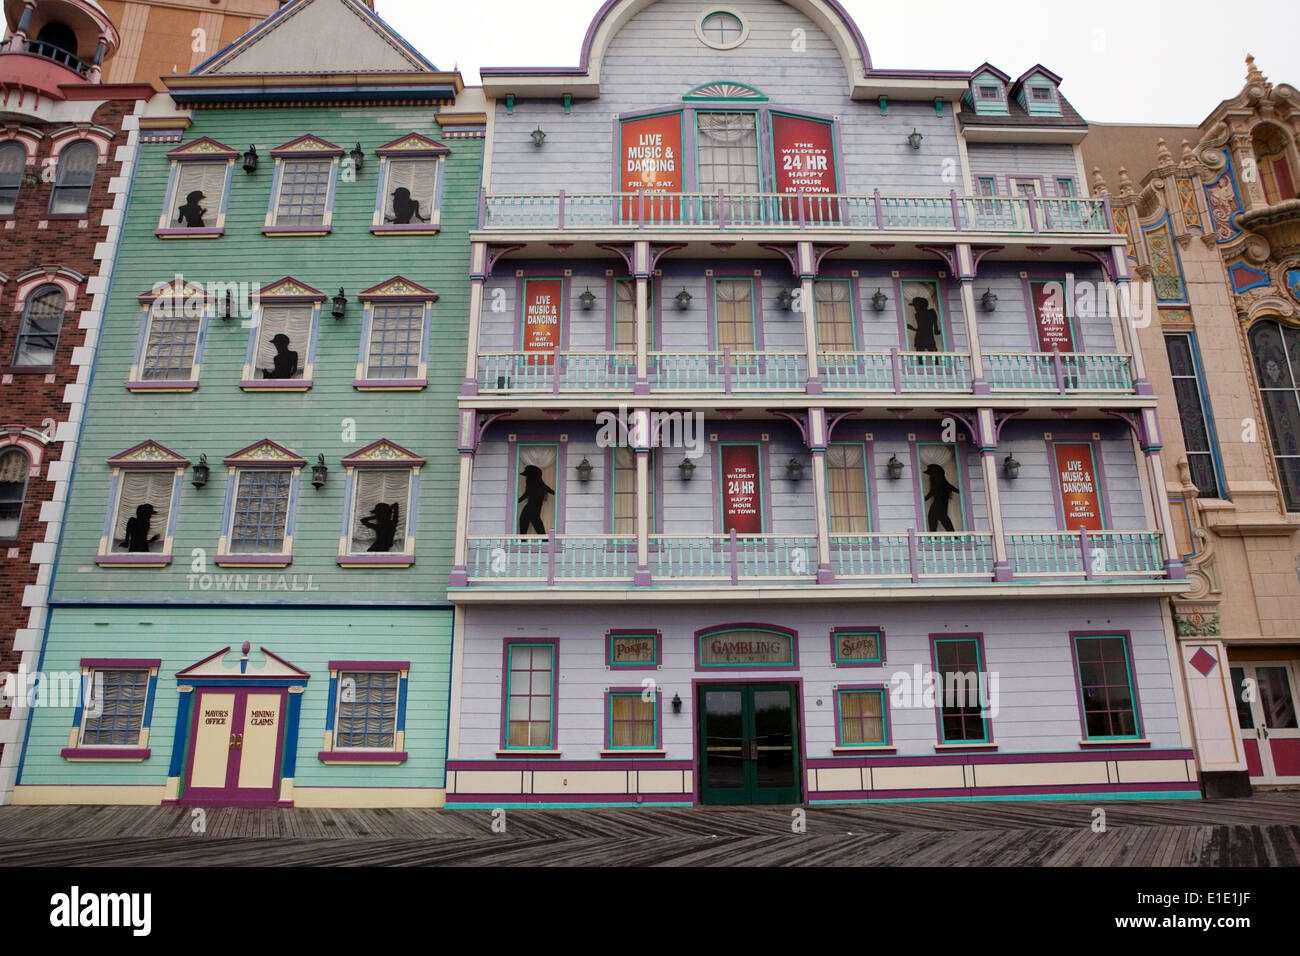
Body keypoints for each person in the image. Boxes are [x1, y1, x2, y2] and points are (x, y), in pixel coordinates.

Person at [517, 465, 555, 535]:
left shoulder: (535, 485)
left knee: (528, 523)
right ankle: (544, 541)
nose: (527, 478)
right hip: (535, 508)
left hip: (531, 508)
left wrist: (517, 501)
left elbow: (526, 494)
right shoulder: (540, 485)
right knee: (535, 524)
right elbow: (551, 491)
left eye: (528, 476)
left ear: (531, 476)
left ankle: (524, 541)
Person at [923, 463, 960, 533]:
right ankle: (954, 537)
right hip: (940, 507)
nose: (930, 477)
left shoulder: (939, 484)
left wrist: (922, 500)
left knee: (939, 523)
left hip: (937, 507)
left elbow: (930, 494)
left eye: (931, 475)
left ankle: (952, 537)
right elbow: (956, 490)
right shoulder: (944, 484)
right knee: (944, 523)